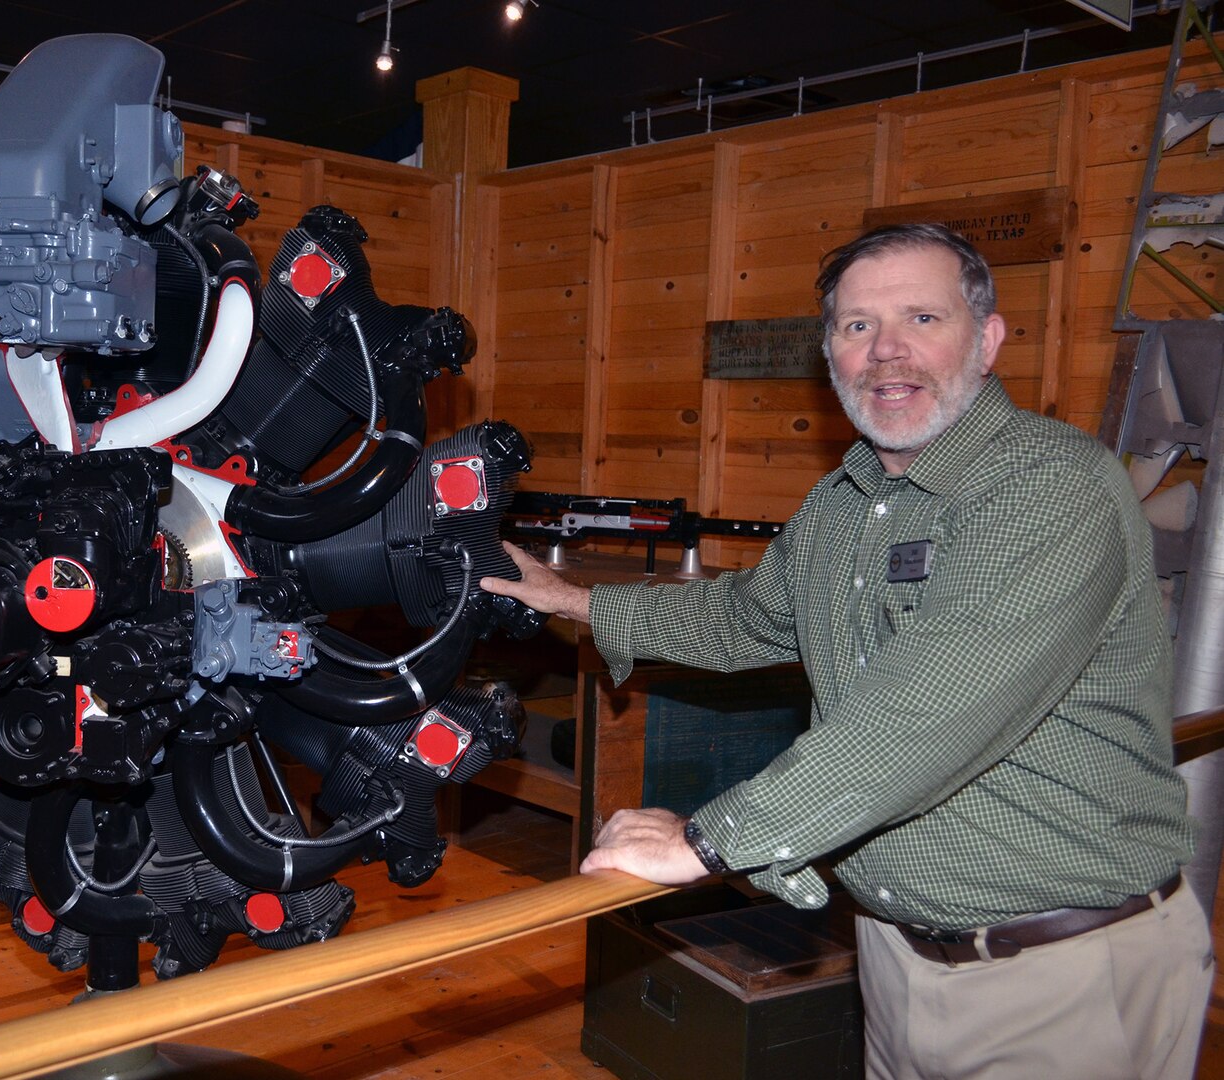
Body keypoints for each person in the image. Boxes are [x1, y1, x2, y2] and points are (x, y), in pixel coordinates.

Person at [481, 223, 1215, 1080]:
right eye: (856, 326)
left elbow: (930, 709)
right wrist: (570, 599)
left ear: (987, 339)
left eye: (922, 319)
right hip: (896, 956)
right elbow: (743, 618)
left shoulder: (1049, 486)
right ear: (829, 354)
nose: (886, 351)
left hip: (1065, 971)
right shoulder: (844, 504)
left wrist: (707, 844)